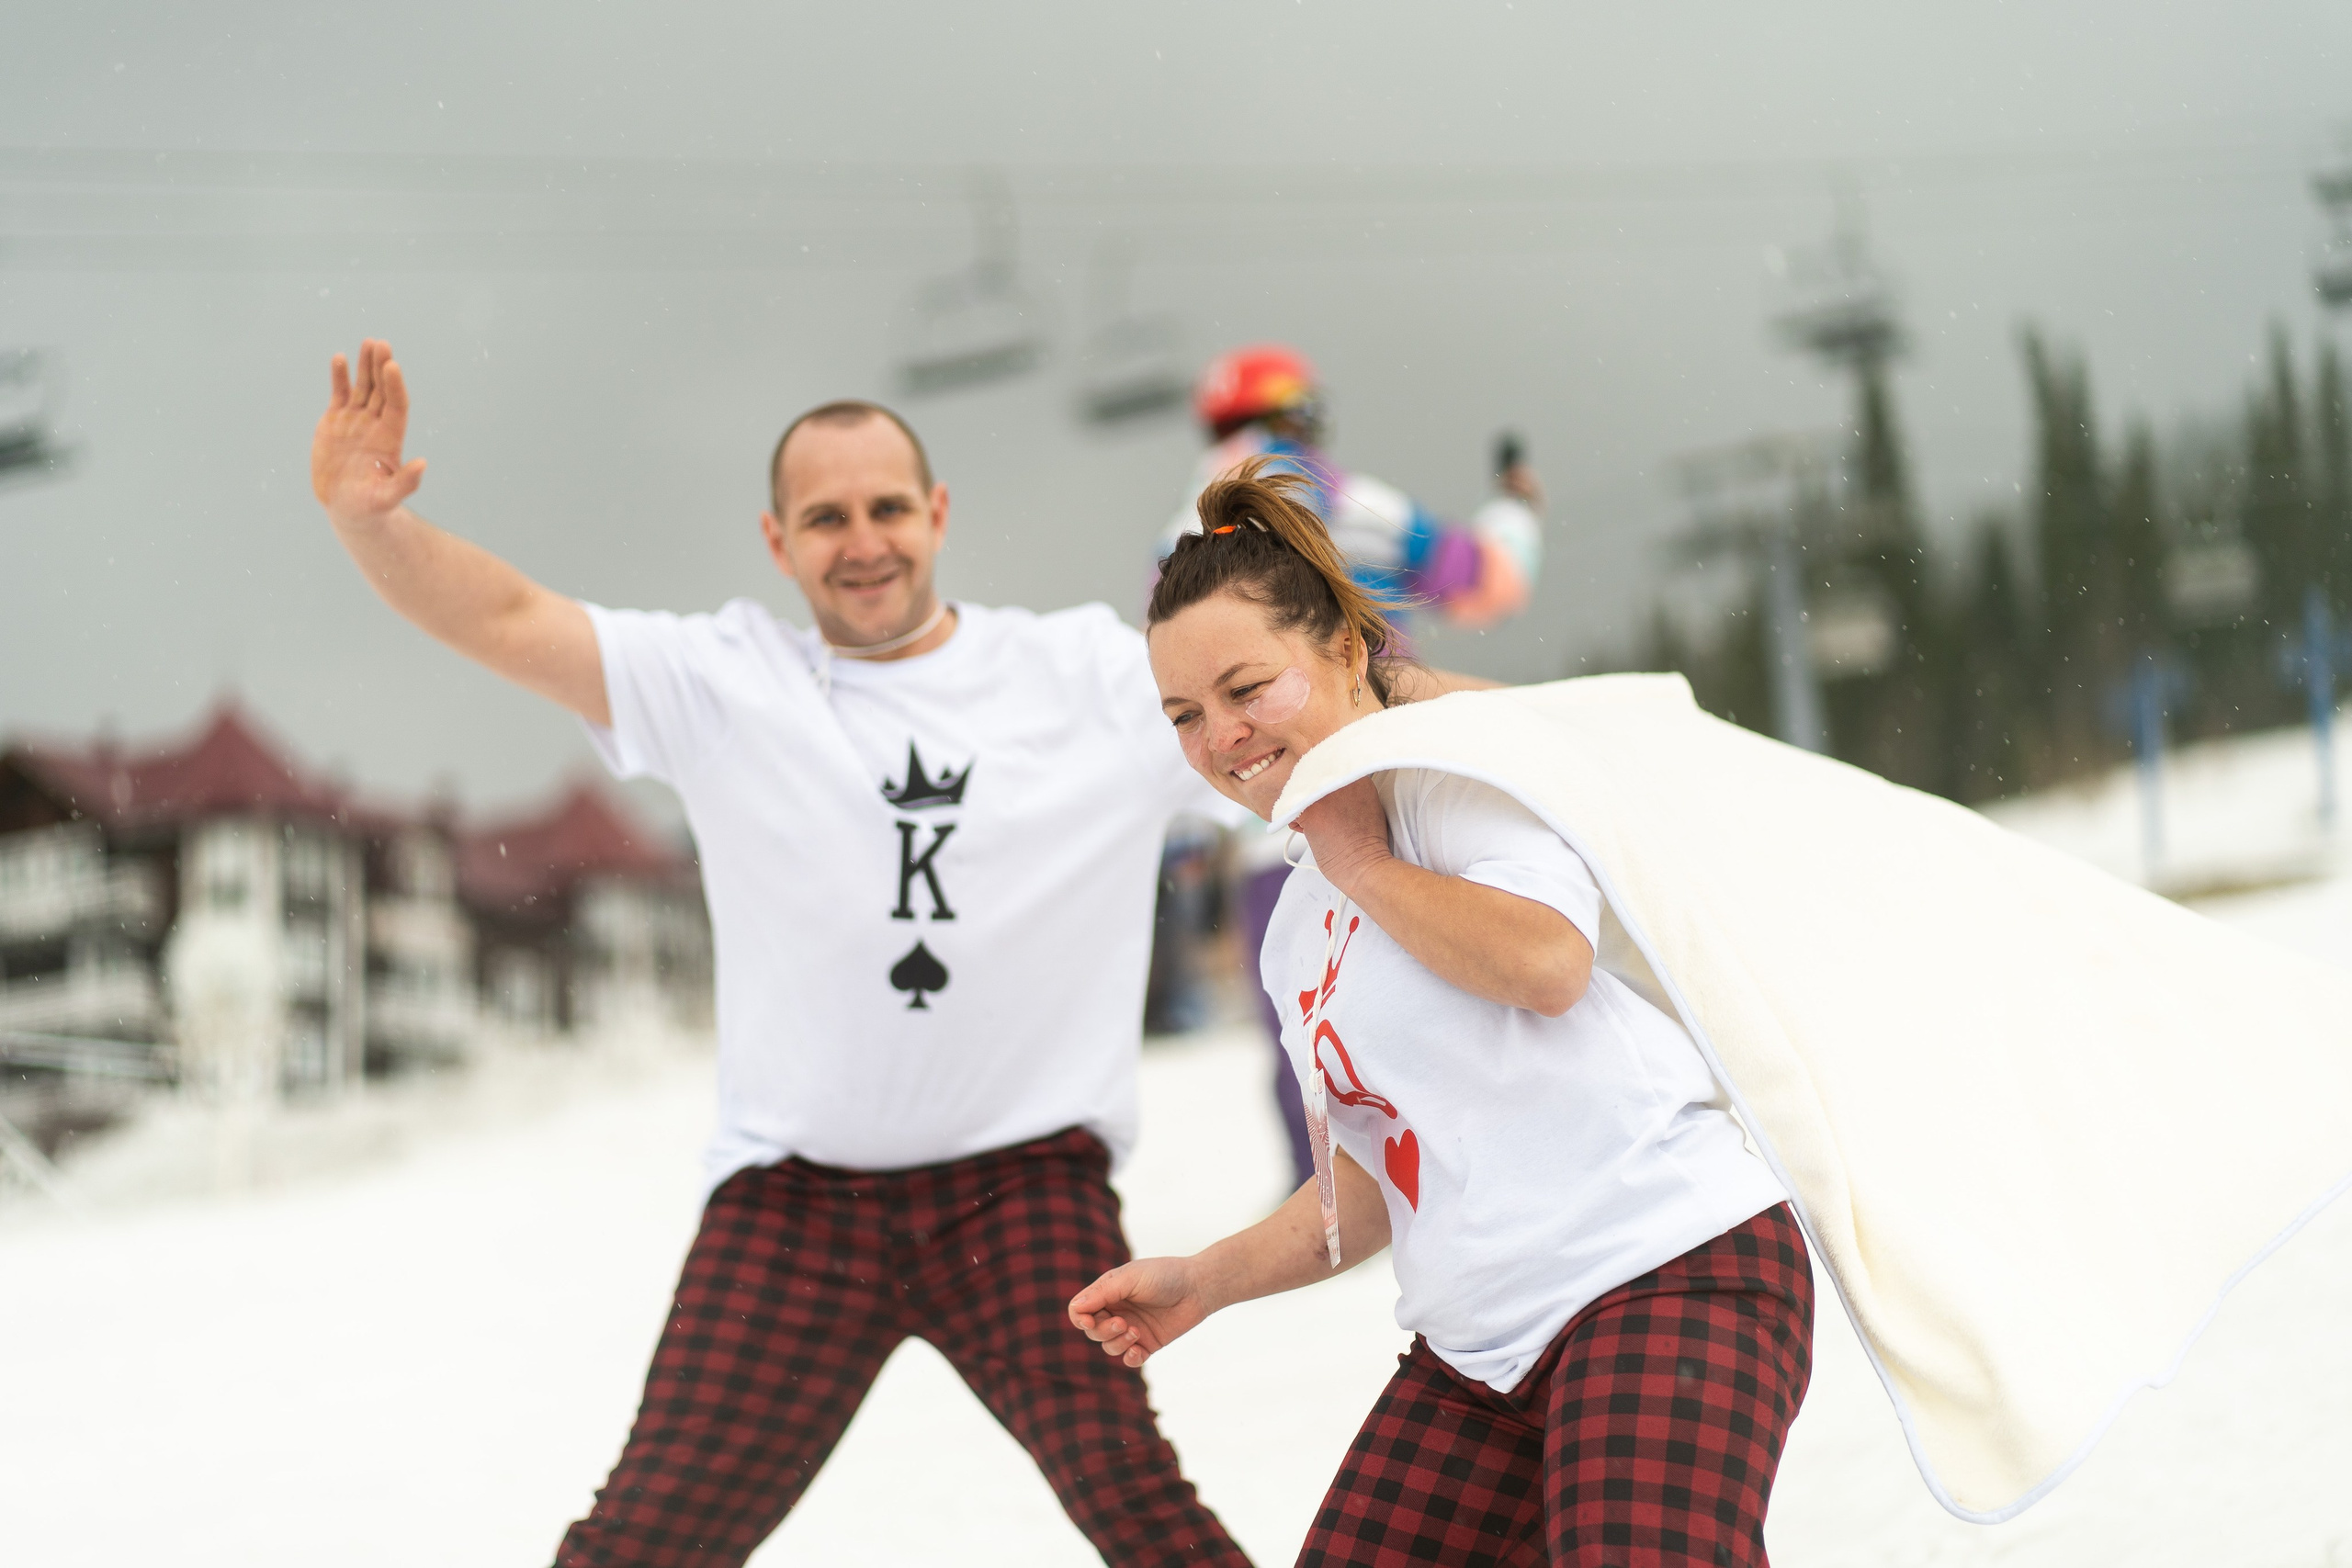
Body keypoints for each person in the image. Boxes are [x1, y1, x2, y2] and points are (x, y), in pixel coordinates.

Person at [308, 340, 1258, 1567]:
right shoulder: (724, 681)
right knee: (639, 1542)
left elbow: (1298, 713)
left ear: (938, 513)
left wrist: (1515, 738)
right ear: (777, 540)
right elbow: (505, 616)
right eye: (825, 517)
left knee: (1145, 1514)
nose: (863, 540)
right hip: (799, 1201)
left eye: (886, 508)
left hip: (1022, 1188)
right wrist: (369, 523)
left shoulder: (1085, 673)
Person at [1075, 461, 1810, 1567]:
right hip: (1480, 1353)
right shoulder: (1292, 935)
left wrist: (1360, 857)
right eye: (1185, 713)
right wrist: (1207, 1280)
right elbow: (1377, 1180)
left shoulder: (1460, 780)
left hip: (1666, 1272)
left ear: (1339, 649)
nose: (1220, 735)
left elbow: (1545, 962)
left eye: (1244, 688)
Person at [1159, 344, 1544, 1189]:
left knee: (1305, 1022)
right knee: (1457, 982)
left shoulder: (1181, 535)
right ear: (1298, 416)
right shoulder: (1320, 491)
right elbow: (1480, 581)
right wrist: (1514, 515)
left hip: (1263, 816)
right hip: (1377, 769)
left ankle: (1324, 1190)